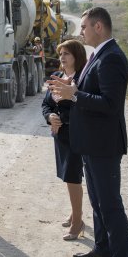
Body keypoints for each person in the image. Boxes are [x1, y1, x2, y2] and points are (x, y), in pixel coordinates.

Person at [47, 6, 128, 257]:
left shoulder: (112, 59)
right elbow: (87, 94)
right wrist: (69, 89)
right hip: (91, 144)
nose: (80, 31)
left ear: (98, 27)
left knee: (110, 206)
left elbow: (110, 105)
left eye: (84, 27)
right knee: (97, 203)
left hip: (104, 145)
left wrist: (75, 94)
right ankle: (103, 249)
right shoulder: (99, 56)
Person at [41, 39, 87, 241]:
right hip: (60, 135)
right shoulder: (58, 76)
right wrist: (50, 117)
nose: (62, 57)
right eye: (60, 54)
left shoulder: (82, 79)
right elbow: (46, 104)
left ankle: (78, 222)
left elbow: (85, 104)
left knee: (73, 177)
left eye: (66, 54)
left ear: (76, 56)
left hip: (76, 134)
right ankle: (74, 214)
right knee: (68, 177)